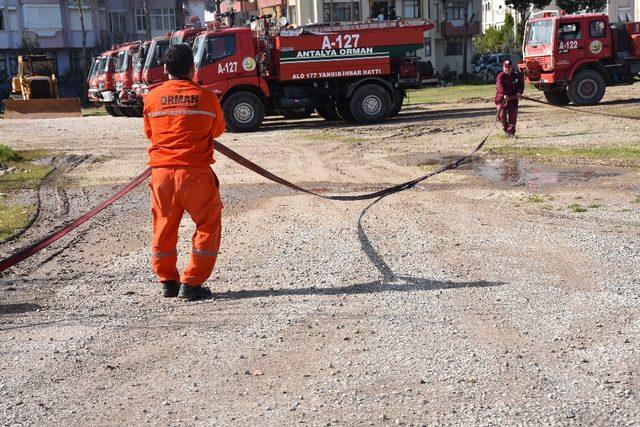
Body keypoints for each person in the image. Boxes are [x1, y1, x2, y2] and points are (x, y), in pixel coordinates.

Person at [143, 44, 225, 300]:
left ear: (165, 69)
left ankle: (167, 281)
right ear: (192, 68)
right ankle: (191, 283)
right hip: (195, 176)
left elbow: (149, 133)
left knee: (164, 226)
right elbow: (218, 130)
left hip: (162, 176)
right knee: (208, 224)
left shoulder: (151, 98)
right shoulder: (208, 97)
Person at [495, 59, 524, 137]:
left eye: (509, 67)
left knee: (513, 116)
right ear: (503, 67)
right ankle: (506, 128)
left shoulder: (516, 76)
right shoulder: (500, 76)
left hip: (513, 100)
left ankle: (511, 133)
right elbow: (500, 87)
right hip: (502, 100)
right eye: (506, 67)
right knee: (501, 116)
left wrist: (519, 92)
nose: (507, 69)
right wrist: (504, 94)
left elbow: (521, 85)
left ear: (512, 67)